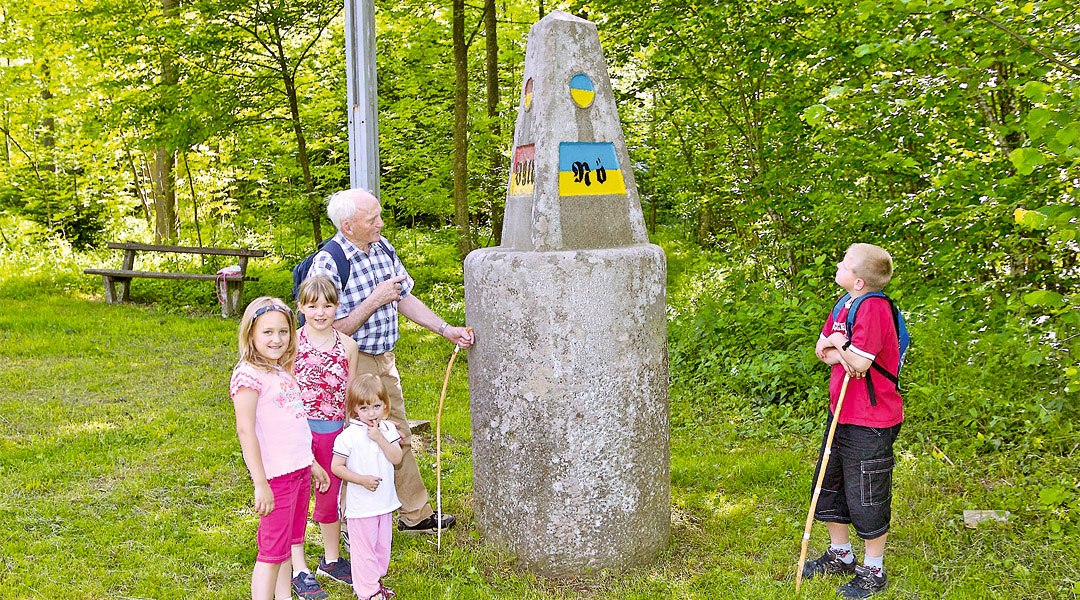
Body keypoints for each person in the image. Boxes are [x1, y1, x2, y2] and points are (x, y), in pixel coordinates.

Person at [306, 188, 474, 535]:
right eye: (373, 220)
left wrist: (445, 329)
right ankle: (352, 524)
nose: (381, 223)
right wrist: (372, 300)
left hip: (385, 359)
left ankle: (415, 515)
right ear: (348, 225)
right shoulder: (328, 261)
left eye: (380, 216)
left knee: (396, 434)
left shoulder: (383, 247)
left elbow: (404, 297)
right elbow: (328, 327)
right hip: (353, 361)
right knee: (359, 441)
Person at [804, 243, 903, 598]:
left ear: (858, 281)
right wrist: (838, 347)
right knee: (829, 486)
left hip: (871, 420)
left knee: (867, 495)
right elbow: (823, 352)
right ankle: (840, 555)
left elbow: (860, 365)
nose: (837, 264)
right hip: (841, 413)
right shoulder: (843, 304)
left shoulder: (874, 308)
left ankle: (873, 571)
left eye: (844, 263)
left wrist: (839, 346)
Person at [229, 297, 331, 600]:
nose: (277, 339)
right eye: (268, 332)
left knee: (287, 544)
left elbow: (293, 425)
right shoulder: (249, 375)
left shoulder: (281, 371)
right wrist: (260, 483)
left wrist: (310, 462)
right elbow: (246, 431)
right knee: (271, 552)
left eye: (283, 332)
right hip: (277, 478)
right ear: (251, 334)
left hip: (298, 472)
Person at [289, 276, 360, 599]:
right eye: (313, 305)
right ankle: (298, 566)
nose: (320, 312)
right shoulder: (291, 343)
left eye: (328, 305)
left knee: (329, 497)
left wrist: (355, 431)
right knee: (297, 500)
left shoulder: (348, 346)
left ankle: (331, 560)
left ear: (337, 307)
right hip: (298, 435)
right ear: (301, 307)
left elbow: (351, 394)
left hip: (334, 434)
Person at [332, 374, 404, 600]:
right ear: (354, 409)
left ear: (385, 405)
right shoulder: (347, 437)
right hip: (361, 507)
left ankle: (375, 580)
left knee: (382, 547)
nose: (371, 413)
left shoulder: (388, 430)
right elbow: (337, 467)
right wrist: (361, 480)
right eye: (364, 408)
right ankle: (368, 592)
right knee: (364, 551)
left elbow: (396, 458)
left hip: (385, 503)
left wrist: (380, 439)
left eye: (376, 406)